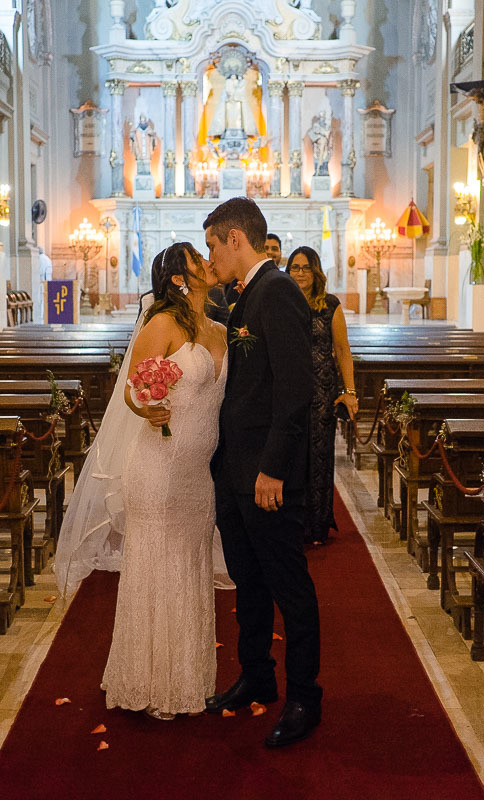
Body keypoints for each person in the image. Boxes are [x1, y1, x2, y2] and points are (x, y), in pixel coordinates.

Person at [55, 241, 229, 721]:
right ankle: (151, 681)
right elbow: (133, 390)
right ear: (179, 278)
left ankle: (188, 676)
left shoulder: (220, 328)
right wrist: (147, 407)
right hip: (158, 467)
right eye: (197, 259)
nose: (208, 261)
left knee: (190, 568)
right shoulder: (162, 324)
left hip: (197, 474)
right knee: (159, 568)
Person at [203, 196, 323, 748]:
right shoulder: (245, 294)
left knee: (289, 588)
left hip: (267, 477)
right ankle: (256, 675)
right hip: (237, 471)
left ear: (235, 239)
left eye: (212, 245)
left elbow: (296, 389)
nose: (210, 257)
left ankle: (304, 697)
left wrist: (273, 468)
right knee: (248, 582)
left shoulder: (277, 292)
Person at [286, 245, 357, 544]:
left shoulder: (329, 305)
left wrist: (349, 391)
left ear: (316, 272)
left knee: (318, 458)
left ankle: (316, 525)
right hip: (290, 390)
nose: (300, 273)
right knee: (291, 456)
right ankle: (292, 522)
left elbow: (342, 349)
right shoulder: (282, 302)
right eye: (295, 267)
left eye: (306, 267)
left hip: (322, 390)